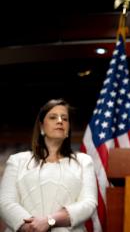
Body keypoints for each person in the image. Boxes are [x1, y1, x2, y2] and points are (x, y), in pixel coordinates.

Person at [0, 99, 97, 232]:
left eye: (65, 118)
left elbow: (89, 204)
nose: (60, 121)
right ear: (41, 127)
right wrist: (32, 227)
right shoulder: (17, 160)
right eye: (53, 117)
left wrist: (49, 221)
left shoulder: (84, 161)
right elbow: (5, 202)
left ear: (68, 128)